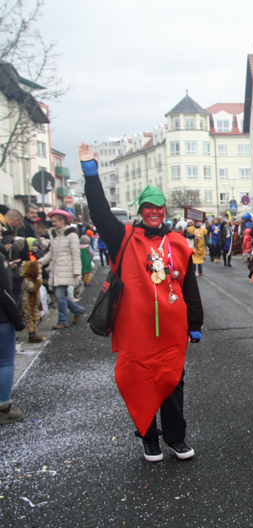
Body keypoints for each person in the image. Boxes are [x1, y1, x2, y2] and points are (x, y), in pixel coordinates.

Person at [80, 143, 203, 462]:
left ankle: (176, 437)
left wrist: (196, 324)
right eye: (148, 206)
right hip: (136, 332)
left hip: (171, 334)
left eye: (159, 207)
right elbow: (100, 212)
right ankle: (149, 438)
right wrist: (91, 174)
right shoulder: (124, 238)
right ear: (141, 209)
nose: (154, 212)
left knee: (172, 383)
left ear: (165, 211)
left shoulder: (177, 242)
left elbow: (189, 286)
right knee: (139, 382)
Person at [38, 210, 84, 329]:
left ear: (62, 221)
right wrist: (40, 262)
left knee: (59, 295)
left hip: (66, 270)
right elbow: (51, 253)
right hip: (57, 270)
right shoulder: (55, 235)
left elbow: (76, 254)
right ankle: (77, 310)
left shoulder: (71, 235)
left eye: (55, 221)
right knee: (60, 296)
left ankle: (63, 320)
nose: (53, 224)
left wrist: (76, 271)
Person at [0, 234, 25, 424]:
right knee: (5, 362)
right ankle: (3, 408)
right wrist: (18, 320)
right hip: (2, 319)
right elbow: (4, 293)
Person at [20, 259, 43, 343]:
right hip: (29, 303)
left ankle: (34, 333)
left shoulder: (32, 279)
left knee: (35, 317)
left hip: (34, 303)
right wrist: (39, 281)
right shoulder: (28, 280)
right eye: (38, 269)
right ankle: (32, 335)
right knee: (30, 318)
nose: (40, 271)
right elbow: (32, 288)